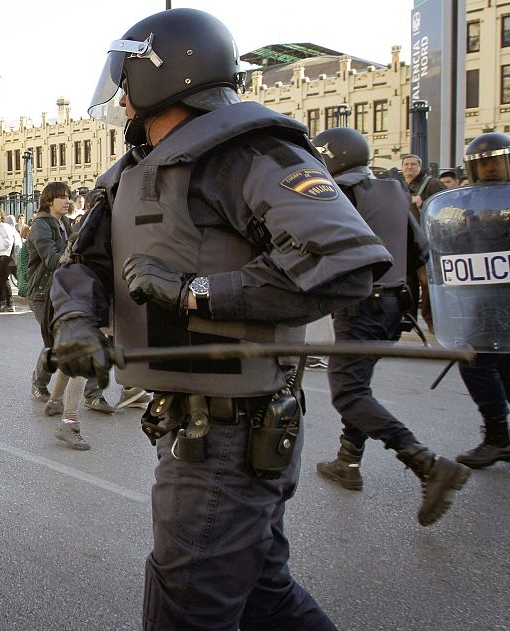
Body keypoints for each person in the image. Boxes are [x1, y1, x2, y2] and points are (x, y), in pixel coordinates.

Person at [50, 9, 395, 629]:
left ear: (160, 78)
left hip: (230, 435)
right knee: (265, 598)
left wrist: (196, 293)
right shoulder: (132, 172)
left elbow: (342, 260)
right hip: (196, 424)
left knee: (187, 610)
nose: (122, 102)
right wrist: (75, 320)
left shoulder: (249, 152)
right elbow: (83, 264)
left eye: (127, 85)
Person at [312, 127, 470, 525]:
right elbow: (419, 250)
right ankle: (348, 461)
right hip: (394, 303)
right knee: (358, 384)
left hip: (362, 304)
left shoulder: (337, 193)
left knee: (348, 392)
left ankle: (426, 463)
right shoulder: (393, 190)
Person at [26, 182, 113, 417]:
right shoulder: (41, 226)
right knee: (56, 344)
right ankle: (39, 383)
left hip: (63, 291)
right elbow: (52, 260)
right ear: (49, 200)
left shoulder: (63, 222)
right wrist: (70, 252)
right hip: (43, 293)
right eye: (62, 197)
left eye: (68, 197)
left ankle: (93, 395)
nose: (67, 201)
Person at [450, 132, 510, 468]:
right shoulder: (468, 204)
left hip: (505, 297)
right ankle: (500, 437)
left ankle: (499, 438)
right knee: (491, 363)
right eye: (482, 163)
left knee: (477, 363)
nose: (488, 168)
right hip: (485, 300)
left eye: (494, 161)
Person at [402, 153, 445, 333]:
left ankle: (431, 321)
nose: (409, 167)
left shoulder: (432, 184)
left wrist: (424, 203)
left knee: (427, 284)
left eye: (413, 164)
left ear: (420, 166)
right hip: (406, 243)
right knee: (408, 284)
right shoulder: (400, 186)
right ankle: (409, 319)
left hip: (425, 242)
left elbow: (444, 206)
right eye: (406, 164)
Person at [0, 208, 21, 312]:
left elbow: (8, 242)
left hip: (4, 256)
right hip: (0, 256)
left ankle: (10, 303)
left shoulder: (4, 227)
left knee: (4, 280)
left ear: (1, 217)